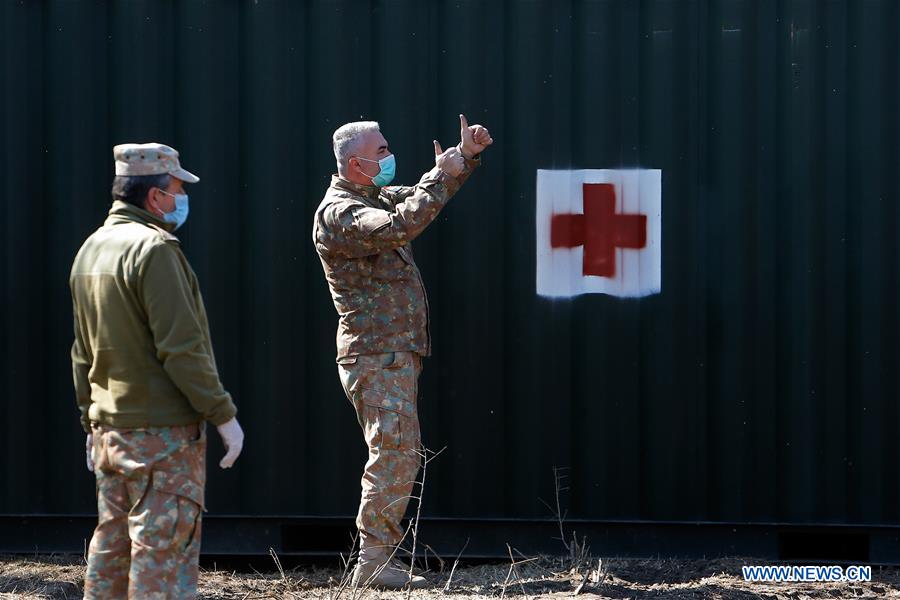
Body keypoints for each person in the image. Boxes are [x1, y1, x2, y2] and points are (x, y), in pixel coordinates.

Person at [312, 115, 493, 588]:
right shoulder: (342, 213)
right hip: (375, 354)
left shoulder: (370, 196)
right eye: (382, 150)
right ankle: (373, 563)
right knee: (393, 452)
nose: (390, 157)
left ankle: (378, 559)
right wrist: (447, 170)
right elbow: (400, 224)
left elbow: (414, 197)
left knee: (399, 451)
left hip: (390, 352)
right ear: (356, 163)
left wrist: (461, 160)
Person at [70, 142, 245, 599]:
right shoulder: (155, 250)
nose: (180, 199)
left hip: (111, 431)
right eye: (174, 189)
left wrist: (91, 419)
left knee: (111, 553)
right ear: (153, 197)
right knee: (161, 559)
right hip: (162, 439)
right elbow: (182, 350)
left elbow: (81, 351)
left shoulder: (91, 249)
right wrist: (224, 416)